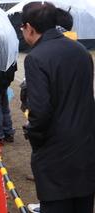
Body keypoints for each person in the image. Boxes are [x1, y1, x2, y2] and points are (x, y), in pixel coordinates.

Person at [21, 2, 95, 213]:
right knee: (83, 206)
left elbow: (40, 110)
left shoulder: (36, 58)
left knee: (56, 205)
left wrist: (33, 134)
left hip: (55, 151)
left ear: (29, 27)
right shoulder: (81, 51)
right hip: (86, 145)